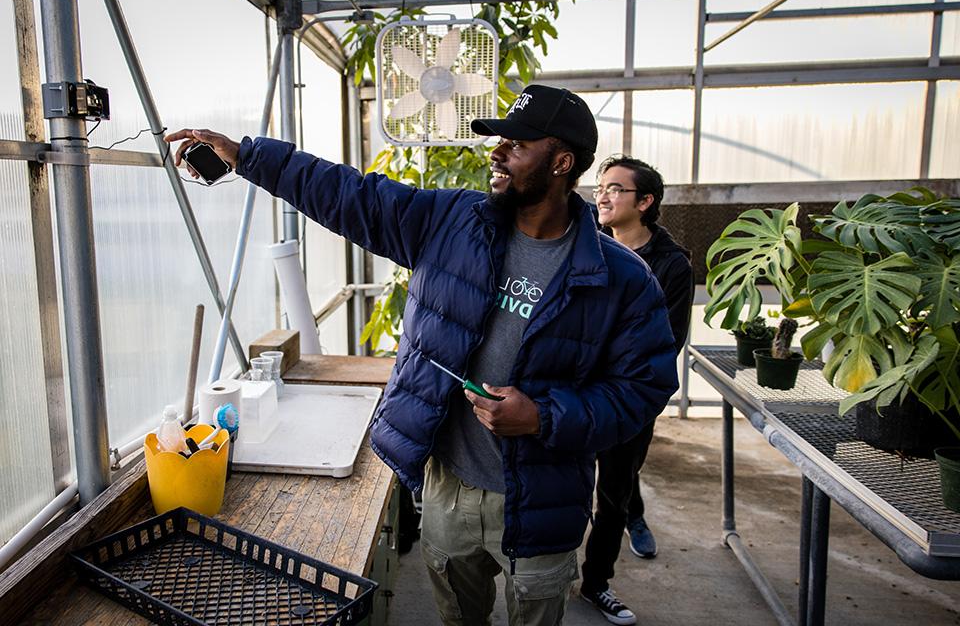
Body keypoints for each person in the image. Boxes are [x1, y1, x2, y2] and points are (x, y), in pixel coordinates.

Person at [166, 84, 678, 626]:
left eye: (517, 144)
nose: (497, 152)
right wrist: (249, 157)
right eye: (498, 140)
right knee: (459, 617)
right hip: (448, 489)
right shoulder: (452, 221)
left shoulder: (622, 279)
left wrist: (542, 417)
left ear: (561, 162)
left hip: (543, 496)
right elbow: (351, 195)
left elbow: (642, 390)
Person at [579, 156, 694, 625]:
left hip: (629, 399)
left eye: (615, 189)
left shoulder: (671, 265)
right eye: (600, 187)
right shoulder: (585, 242)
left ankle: (595, 583)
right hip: (578, 389)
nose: (602, 196)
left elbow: (665, 340)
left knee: (613, 492)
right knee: (571, 482)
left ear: (645, 202)